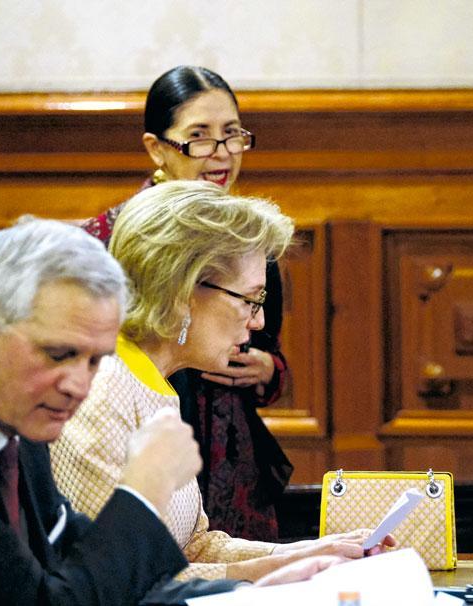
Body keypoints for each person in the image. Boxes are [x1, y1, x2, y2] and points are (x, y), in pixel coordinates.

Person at [0, 219, 336, 605]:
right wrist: (143, 491)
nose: (78, 386)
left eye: (94, 361)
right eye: (59, 354)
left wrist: (247, 594)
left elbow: (94, 577)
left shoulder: (15, 413)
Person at [52, 181, 391, 582]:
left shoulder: (158, 383)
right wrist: (276, 571)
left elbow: (194, 545)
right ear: (182, 290)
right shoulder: (100, 396)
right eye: (250, 299)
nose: (259, 321)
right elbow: (122, 583)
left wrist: (320, 549)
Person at [83, 65, 291, 541]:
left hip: (227, 459)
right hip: (134, 434)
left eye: (232, 135)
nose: (221, 154)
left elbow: (271, 350)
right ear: (157, 148)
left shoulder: (250, 240)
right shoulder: (107, 243)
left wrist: (266, 369)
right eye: (199, 137)